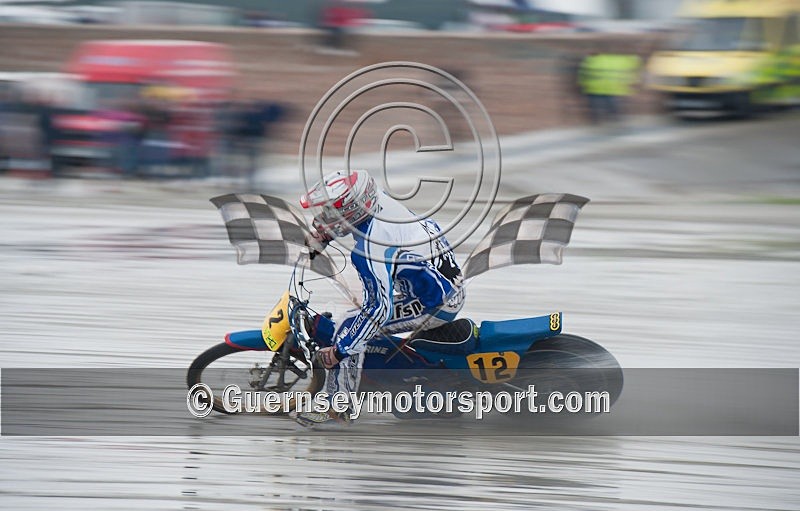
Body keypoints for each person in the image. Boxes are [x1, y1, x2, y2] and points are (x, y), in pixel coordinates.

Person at [295, 169, 466, 427]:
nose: (325, 217)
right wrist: (326, 234)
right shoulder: (377, 200)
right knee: (357, 320)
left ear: (351, 211)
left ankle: (338, 407)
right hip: (441, 275)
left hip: (439, 301)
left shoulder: (369, 250)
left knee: (350, 326)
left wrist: (340, 352)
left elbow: (378, 311)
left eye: (332, 212)